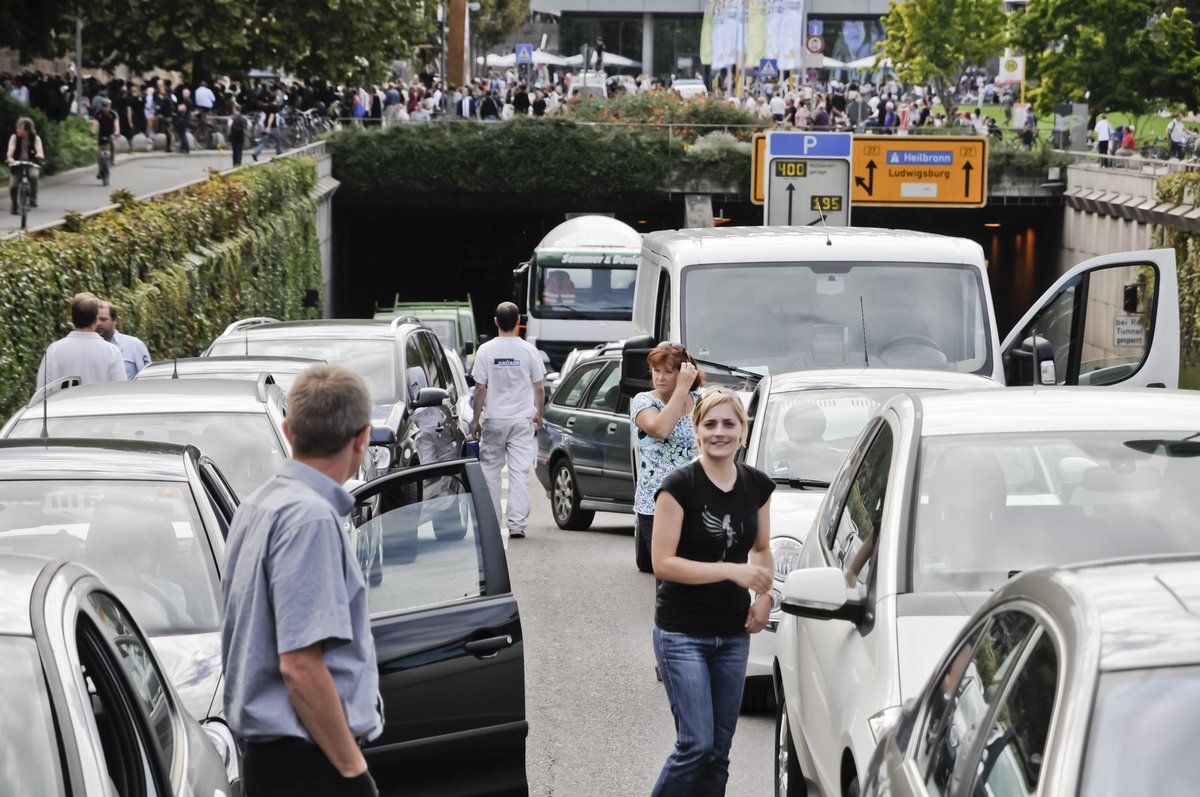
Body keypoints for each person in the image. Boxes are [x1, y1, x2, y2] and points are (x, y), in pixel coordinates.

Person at [221, 365, 383, 796]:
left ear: (289, 431)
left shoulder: (257, 506)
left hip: (276, 760)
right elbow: (300, 665)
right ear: (362, 439)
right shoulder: (310, 519)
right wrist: (352, 772)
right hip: (310, 764)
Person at [649, 388, 774, 796]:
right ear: (696, 430)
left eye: (729, 424)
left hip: (733, 635)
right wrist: (731, 572)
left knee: (719, 751)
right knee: (696, 746)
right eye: (710, 424)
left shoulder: (757, 485)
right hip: (682, 634)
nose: (719, 432)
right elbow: (663, 563)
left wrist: (764, 597)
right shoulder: (679, 487)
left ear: (743, 431)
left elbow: (761, 549)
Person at [470, 302, 545, 541]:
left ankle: (492, 523)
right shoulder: (529, 350)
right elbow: (540, 386)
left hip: (494, 420)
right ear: (518, 322)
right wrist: (539, 413)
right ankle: (516, 525)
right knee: (520, 472)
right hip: (522, 420)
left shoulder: (485, 351)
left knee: (491, 472)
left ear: (495, 321)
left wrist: (475, 419)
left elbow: (480, 388)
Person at [631, 343, 703, 573]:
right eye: (656, 371)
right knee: (670, 577)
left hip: (696, 501)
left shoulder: (700, 402)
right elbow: (661, 429)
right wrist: (681, 389)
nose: (660, 377)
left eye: (668, 372)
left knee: (697, 572)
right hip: (656, 503)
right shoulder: (644, 401)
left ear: (683, 372)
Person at [35, 292, 126, 390]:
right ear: (96, 319)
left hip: (62, 405)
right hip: (99, 405)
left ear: (72, 318)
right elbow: (119, 391)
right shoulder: (111, 352)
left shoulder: (54, 350)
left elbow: (42, 391)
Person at [96, 301, 151, 379]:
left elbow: (148, 378)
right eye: (95, 320)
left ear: (114, 321)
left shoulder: (134, 345)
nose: (98, 323)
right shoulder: (88, 347)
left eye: (103, 319)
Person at [6, 116, 44, 214]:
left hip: (31, 163)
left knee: (33, 176)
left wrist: (39, 155)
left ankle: (33, 198)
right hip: (17, 163)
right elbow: (11, 150)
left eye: (20, 128)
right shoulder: (14, 138)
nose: (17, 130)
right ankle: (14, 205)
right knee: (13, 185)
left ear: (27, 130)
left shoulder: (35, 138)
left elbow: (40, 151)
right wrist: (10, 158)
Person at [92, 97, 119, 178]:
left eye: (107, 106)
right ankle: (100, 170)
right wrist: (93, 131)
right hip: (101, 134)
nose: (105, 108)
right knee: (100, 153)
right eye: (104, 106)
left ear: (110, 106)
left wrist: (117, 132)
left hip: (110, 133)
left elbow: (116, 124)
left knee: (113, 143)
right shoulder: (98, 114)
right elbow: (95, 123)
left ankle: (112, 158)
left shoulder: (113, 114)